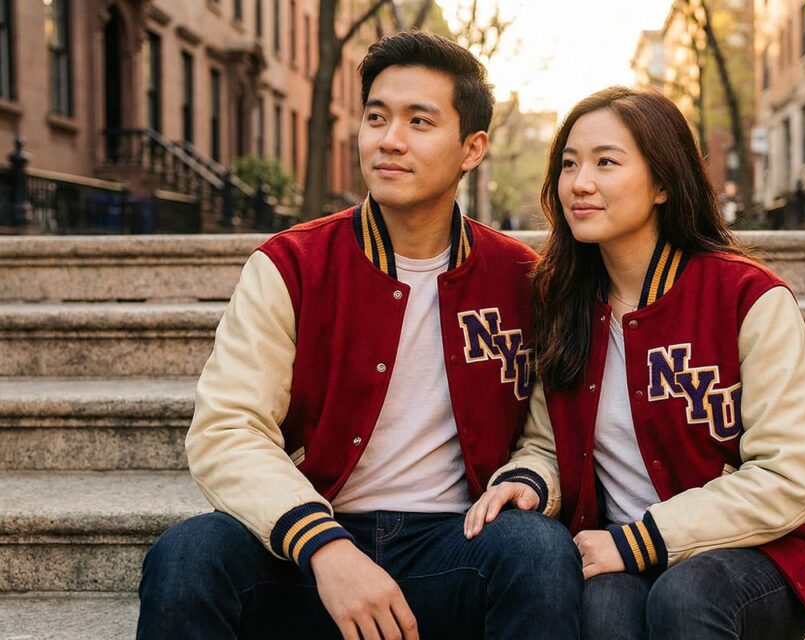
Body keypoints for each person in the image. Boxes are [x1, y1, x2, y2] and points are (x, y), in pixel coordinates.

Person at [137, 31, 582, 640]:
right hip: (309, 542)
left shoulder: (521, 278)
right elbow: (227, 429)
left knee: (539, 551)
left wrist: (528, 480)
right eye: (376, 117)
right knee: (188, 555)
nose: (389, 140)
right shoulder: (291, 266)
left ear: (472, 148)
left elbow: (547, 440)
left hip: (455, 545)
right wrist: (324, 545)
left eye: (420, 121)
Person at [465, 87, 805, 640]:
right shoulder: (564, 303)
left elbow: (786, 476)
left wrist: (639, 541)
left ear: (663, 183)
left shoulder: (748, 298)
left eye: (606, 162)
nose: (580, 183)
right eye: (569, 164)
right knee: (601, 612)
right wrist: (529, 482)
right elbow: (546, 445)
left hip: (759, 552)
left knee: (683, 598)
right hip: (621, 549)